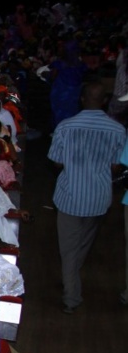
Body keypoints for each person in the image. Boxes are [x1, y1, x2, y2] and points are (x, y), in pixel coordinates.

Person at [48, 82, 126, 313]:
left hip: (70, 195)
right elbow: (116, 167)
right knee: (83, 243)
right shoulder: (117, 130)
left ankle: (71, 297)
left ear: (82, 98)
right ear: (104, 100)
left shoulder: (66, 127)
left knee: (68, 247)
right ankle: (71, 277)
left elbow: (55, 161)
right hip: (98, 197)